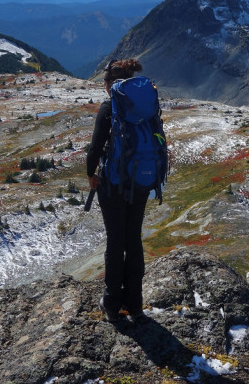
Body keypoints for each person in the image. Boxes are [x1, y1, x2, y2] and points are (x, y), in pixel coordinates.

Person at [87, 58, 158, 323]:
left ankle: (112, 303)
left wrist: (90, 174)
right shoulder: (146, 106)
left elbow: (95, 148)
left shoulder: (110, 107)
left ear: (110, 84)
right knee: (134, 239)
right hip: (141, 182)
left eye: (104, 82)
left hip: (114, 184)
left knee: (115, 242)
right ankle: (136, 304)